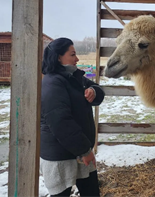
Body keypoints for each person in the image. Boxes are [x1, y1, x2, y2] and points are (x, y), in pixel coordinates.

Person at [40, 37, 104, 197]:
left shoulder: (73, 76)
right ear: (58, 57)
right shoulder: (52, 83)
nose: (77, 59)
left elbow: (98, 90)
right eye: (72, 54)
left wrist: (94, 92)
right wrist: (84, 150)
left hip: (79, 150)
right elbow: (61, 123)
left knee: (91, 192)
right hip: (60, 156)